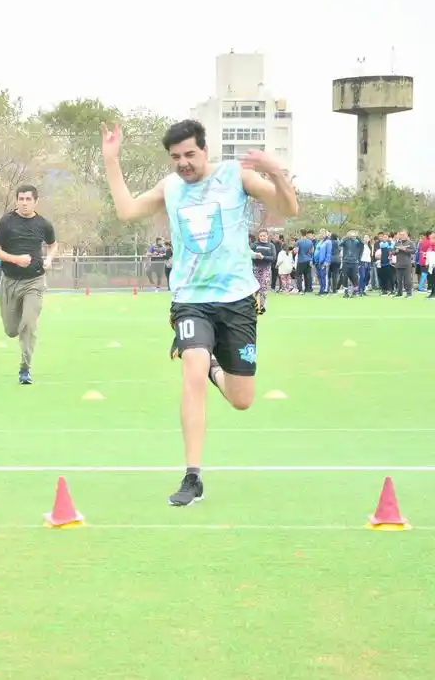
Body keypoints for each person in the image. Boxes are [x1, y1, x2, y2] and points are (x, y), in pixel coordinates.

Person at [101, 119, 298, 506]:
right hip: (190, 298)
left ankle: (214, 366)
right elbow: (126, 210)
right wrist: (111, 159)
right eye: (176, 157)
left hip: (238, 300)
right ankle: (192, 476)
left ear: (205, 150)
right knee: (192, 365)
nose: (183, 163)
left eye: (189, 154)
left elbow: (288, 207)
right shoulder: (170, 188)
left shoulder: (236, 176)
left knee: (241, 399)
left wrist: (274, 171)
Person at [0, 184, 57, 385]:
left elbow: (53, 245)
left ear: (36, 201)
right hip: (9, 281)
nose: (24, 203)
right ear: (16, 200)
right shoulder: (7, 222)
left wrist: (49, 259)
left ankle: (25, 368)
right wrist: (15, 259)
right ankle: (17, 325)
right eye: (21, 199)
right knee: (11, 330)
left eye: (28, 199)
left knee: (28, 324)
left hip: (34, 281)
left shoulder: (43, 224)